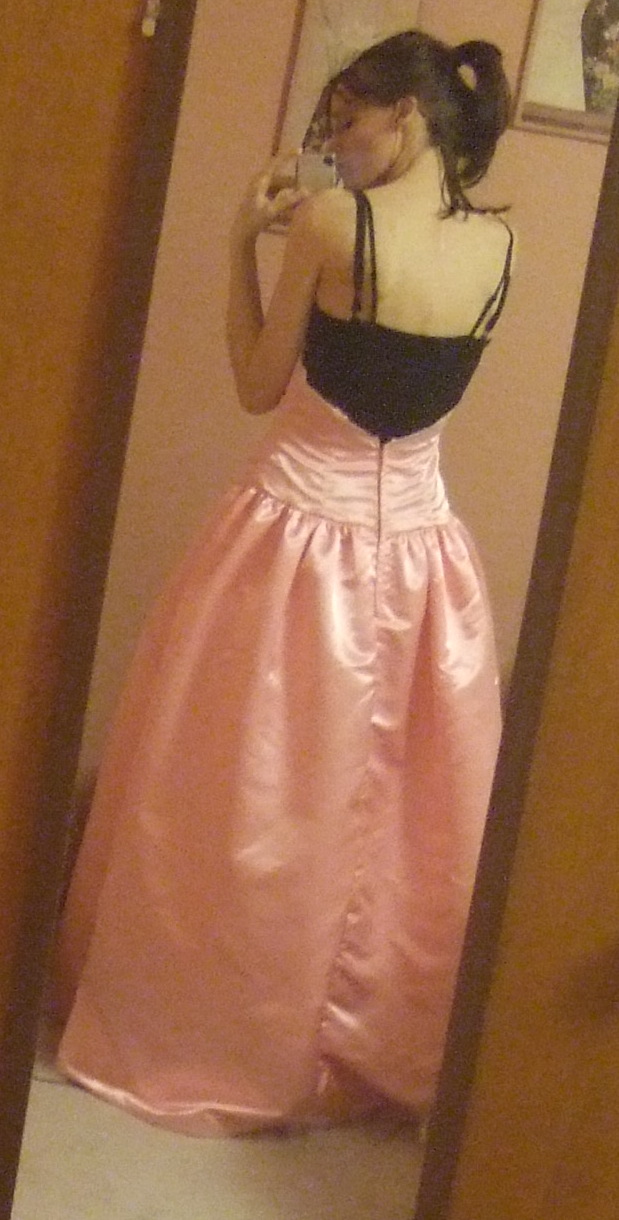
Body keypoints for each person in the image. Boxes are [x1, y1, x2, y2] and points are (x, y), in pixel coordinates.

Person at [51, 30, 514, 1137]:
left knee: (253, 794)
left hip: (295, 542)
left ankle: (226, 1034)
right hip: (427, 559)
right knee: (404, 813)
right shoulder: (502, 247)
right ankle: (372, 1042)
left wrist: (234, 246)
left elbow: (260, 383)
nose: (336, 144)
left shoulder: (328, 223)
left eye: (348, 121)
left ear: (406, 115)